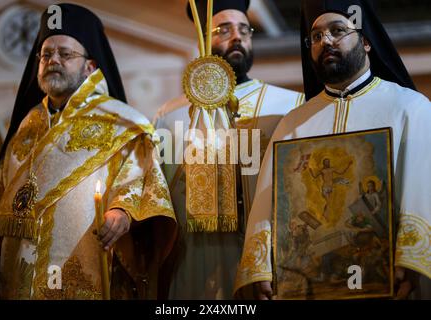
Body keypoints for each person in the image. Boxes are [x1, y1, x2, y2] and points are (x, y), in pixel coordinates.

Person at [235, 0, 431, 299]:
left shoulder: (408, 107)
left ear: (366, 42)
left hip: (391, 278)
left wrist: (414, 258)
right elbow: (268, 199)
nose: (325, 41)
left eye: (337, 30)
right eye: (316, 36)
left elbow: (421, 187)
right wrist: (258, 267)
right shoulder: (293, 122)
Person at [0, 4, 176, 300]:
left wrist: (123, 212)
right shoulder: (25, 126)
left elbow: (142, 184)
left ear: (90, 66)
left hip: (83, 274)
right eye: (46, 54)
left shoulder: (122, 123)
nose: (53, 60)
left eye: (65, 53)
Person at [153, 0, 304, 299]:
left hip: (264, 263)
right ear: (202, 40)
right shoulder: (169, 115)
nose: (237, 36)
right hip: (191, 264)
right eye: (224, 29)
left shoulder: (289, 107)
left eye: (244, 29)